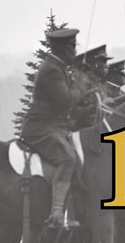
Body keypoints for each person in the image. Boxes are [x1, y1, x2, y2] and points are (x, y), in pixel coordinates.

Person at [20, 28, 92, 229]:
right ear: (64, 49)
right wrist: (81, 84)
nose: (75, 52)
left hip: (54, 126)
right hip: (41, 128)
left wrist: (91, 106)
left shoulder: (58, 68)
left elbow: (70, 107)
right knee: (67, 159)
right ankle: (57, 213)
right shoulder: (52, 69)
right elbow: (65, 100)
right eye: (72, 47)